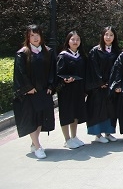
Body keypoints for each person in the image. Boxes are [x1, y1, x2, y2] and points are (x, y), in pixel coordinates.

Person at [12, 25, 55, 159]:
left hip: (43, 91)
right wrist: (28, 88)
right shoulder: (23, 53)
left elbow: (52, 71)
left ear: (41, 36)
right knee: (32, 119)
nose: (35, 38)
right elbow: (20, 73)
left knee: (40, 119)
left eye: (37, 35)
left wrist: (51, 86)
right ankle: (37, 146)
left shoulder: (48, 52)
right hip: (30, 93)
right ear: (28, 37)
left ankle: (34, 143)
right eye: (32, 35)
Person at [86, 26, 119, 143]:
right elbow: (93, 68)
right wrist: (100, 82)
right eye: (106, 34)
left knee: (111, 109)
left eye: (111, 35)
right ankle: (98, 134)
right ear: (102, 36)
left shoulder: (117, 51)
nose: (108, 37)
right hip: (98, 88)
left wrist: (112, 82)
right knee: (97, 110)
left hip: (111, 86)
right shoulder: (95, 51)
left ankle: (108, 133)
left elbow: (118, 69)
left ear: (114, 37)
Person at [56, 30, 87, 149]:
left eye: (77, 39)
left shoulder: (81, 56)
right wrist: (64, 80)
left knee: (75, 113)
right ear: (68, 41)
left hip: (78, 89)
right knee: (66, 114)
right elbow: (58, 74)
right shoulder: (63, 56)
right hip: (66, 90)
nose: (75, 42)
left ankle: (74, 136)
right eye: (73, 39)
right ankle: (67, 139)